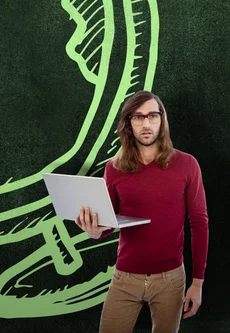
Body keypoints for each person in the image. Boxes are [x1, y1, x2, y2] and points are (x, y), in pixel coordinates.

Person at [75, 90, 209, 333]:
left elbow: (199, 223)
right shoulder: (114, 168)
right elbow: (109, 221)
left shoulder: (187, 164)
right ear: (128, 123)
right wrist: (93, 232)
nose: (146, 123)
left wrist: (197, 282)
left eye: (152, 116)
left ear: (162, 120)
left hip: (170, 278)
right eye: (138, 117)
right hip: (125, 277)